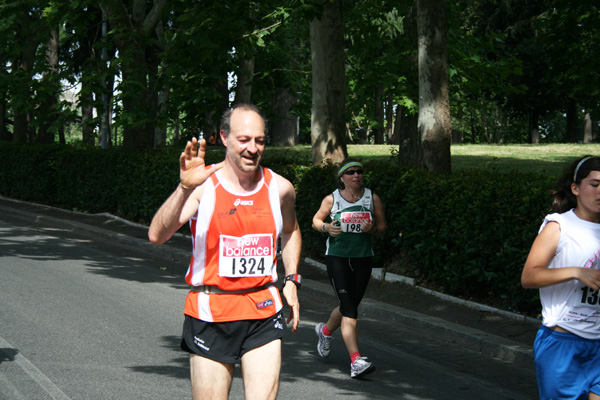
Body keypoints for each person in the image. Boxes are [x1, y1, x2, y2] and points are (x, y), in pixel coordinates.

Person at [148, 103, 301, 400]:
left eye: (259, 140)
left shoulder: (280, 189)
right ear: (223, 138)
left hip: (262, 310)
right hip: (211, 311)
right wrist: (183, 189)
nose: (252, 148)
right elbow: (157, 234)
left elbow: (291, 231)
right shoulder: (203, 187)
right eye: (243, 140)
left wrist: (292, 279)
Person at [521, 155, 600, 400]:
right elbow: (529, 276)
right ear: (575, 188)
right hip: (563, 342)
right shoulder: (559, 226)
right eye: (595, 185)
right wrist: (577, 272)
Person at [311, 159, 386, 379]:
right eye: (351, 172)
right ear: (342, 177)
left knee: (349, 305)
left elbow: (382, 228)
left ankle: (325, 331)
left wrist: (373, 229)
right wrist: (326, 227)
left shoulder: (372, 198)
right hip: (338, 258)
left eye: (359, 172)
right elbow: (316, 220)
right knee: (350, 308)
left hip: (363, 258)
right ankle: (356, 361)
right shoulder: (332, 199)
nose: (356, 176)